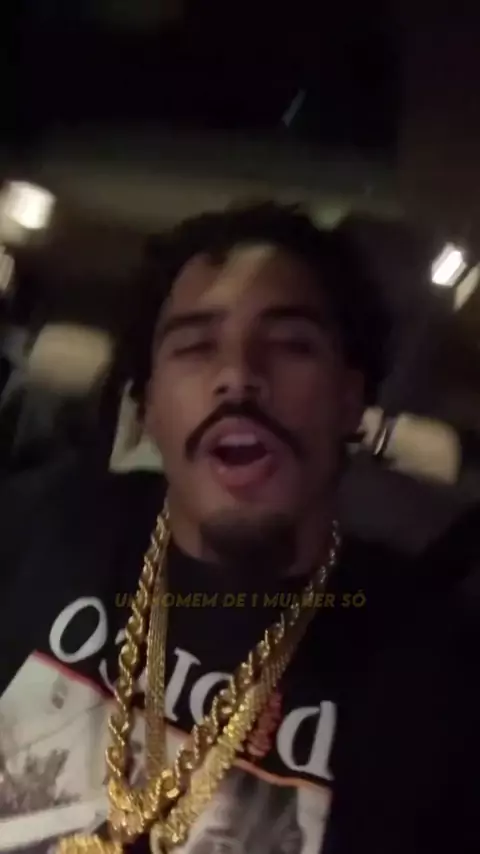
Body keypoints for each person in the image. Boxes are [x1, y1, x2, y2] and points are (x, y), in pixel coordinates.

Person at [0, 202, 477, 854]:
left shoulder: (439, 675)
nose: (239, 377)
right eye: (196, 346)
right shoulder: (39, 523)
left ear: (350, 399)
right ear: (149, 407)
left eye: (290, 345)